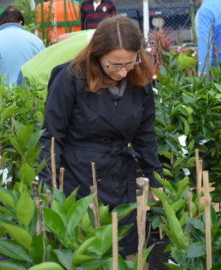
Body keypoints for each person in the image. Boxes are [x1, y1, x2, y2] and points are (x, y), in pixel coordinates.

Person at [39, 15, 163, 256]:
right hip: (79, 176)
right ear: (97, 56)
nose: (123, 72)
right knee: (85, 249)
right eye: (114, 64)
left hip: (119, 175)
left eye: (130, 62)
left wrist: (155, 177)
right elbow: (52, 136)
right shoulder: (69, 79)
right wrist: (48, 185)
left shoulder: (140, 81)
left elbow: (145, 134)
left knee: (121, 246)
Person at [0, 6, 45, 87]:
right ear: (20, 22)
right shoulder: (36, 41)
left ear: (1, 23)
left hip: (0, 96)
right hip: (29, 95)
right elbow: (43, 70)